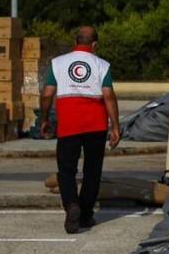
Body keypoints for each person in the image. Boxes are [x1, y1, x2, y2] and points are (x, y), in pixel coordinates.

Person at [40, 26, 121, 234]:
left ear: (75, 41)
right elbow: (108, 96)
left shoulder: (57, 63)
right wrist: (115, 126)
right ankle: (85, 215)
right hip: (96, 125)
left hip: (69, 125)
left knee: (66, 170)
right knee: (92, 171)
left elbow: (48, 94)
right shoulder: (101, 65)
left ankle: (71, 205)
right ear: (94, 44)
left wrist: (45, 118)